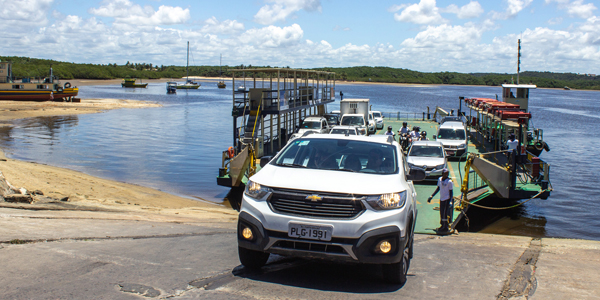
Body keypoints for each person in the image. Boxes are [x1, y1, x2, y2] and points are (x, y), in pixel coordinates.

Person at [427, 168, 453, 233]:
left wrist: (450, 201)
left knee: (445, 213)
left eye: (447, 173)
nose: (446, 175)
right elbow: (438, 188)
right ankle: (442, 225)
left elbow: (451, 192)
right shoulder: (440, 180)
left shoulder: (449, 182)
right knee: (441, 212)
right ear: (442, 174)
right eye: (444, 173)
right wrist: (431, 196)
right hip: (442, 198)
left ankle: (445, 226)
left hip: (446, 199)